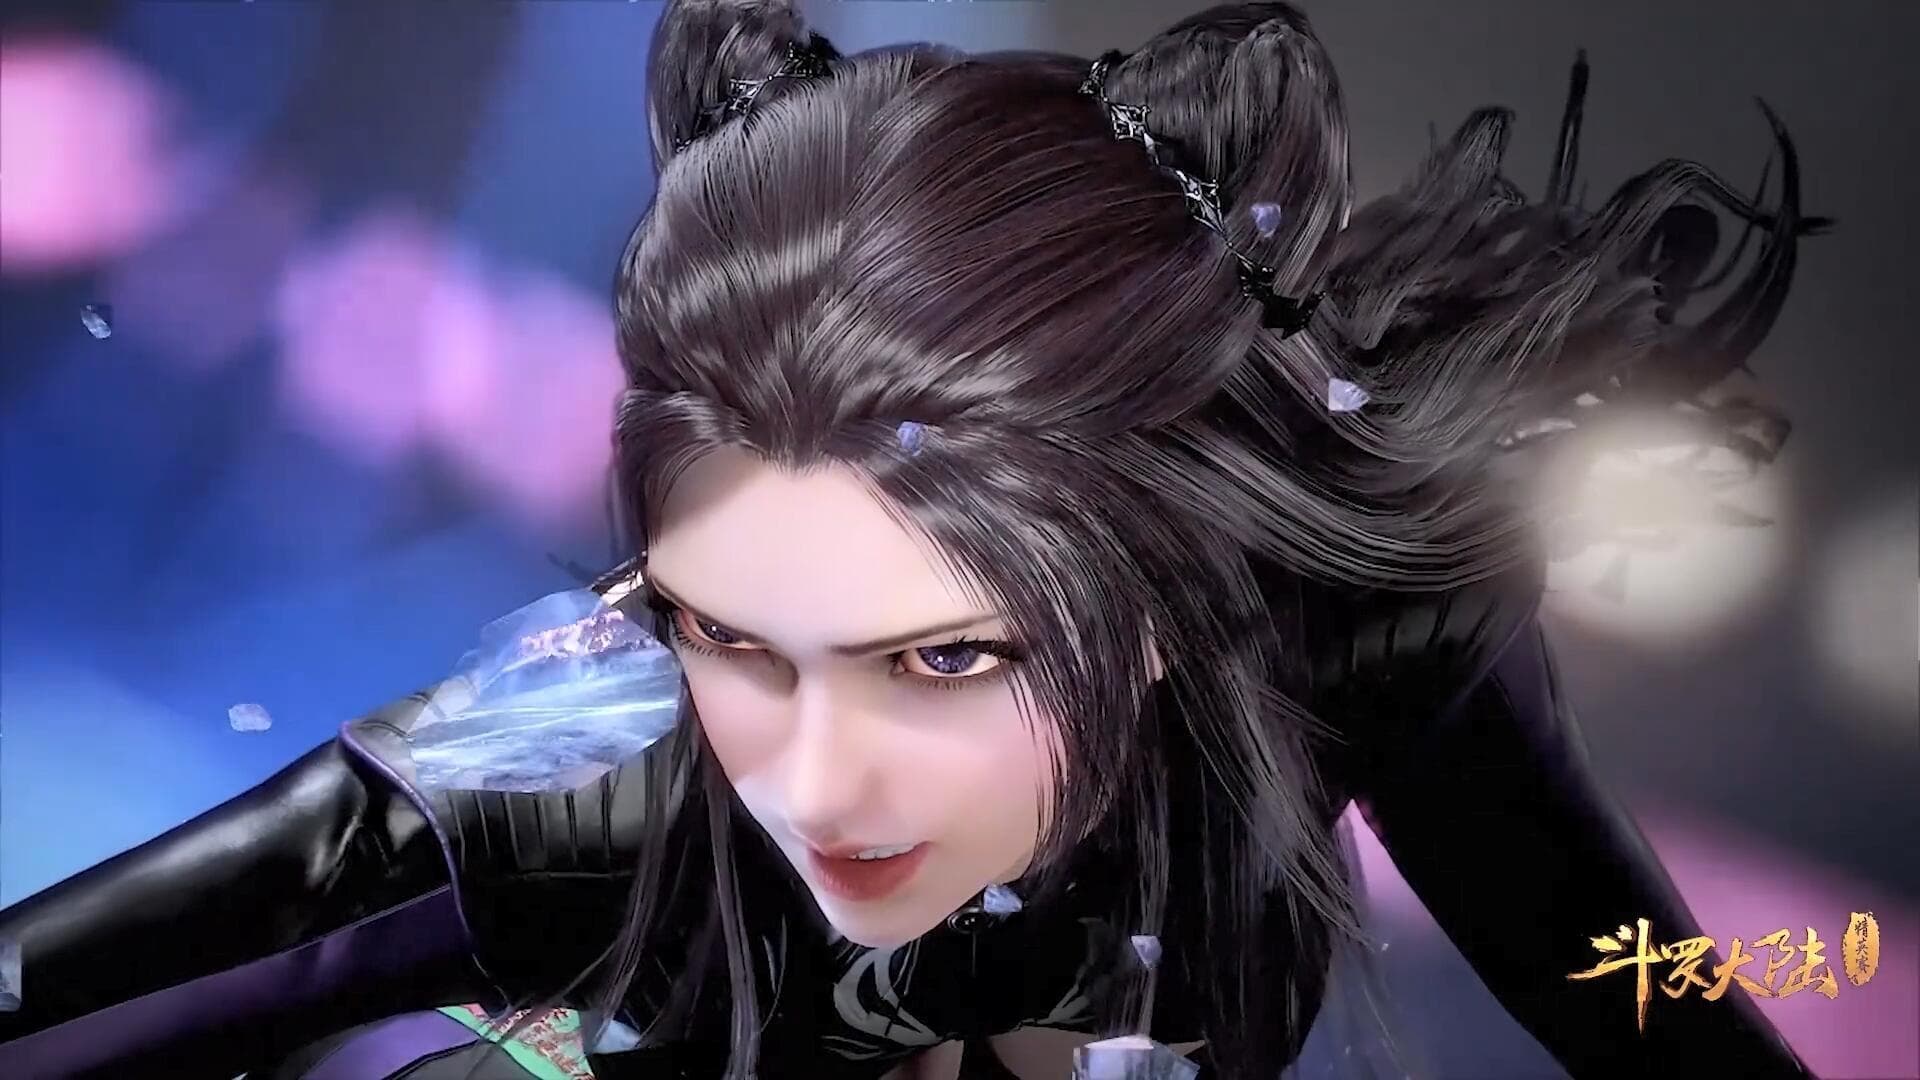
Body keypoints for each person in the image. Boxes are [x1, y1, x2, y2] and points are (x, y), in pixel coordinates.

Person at [0, 2, 1825, 1077]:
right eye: (725, 636)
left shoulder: (1365, 626)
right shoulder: (598, 770)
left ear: (1165, 590)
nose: (815, 782)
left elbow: (1633, 1000)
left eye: (941, 658)